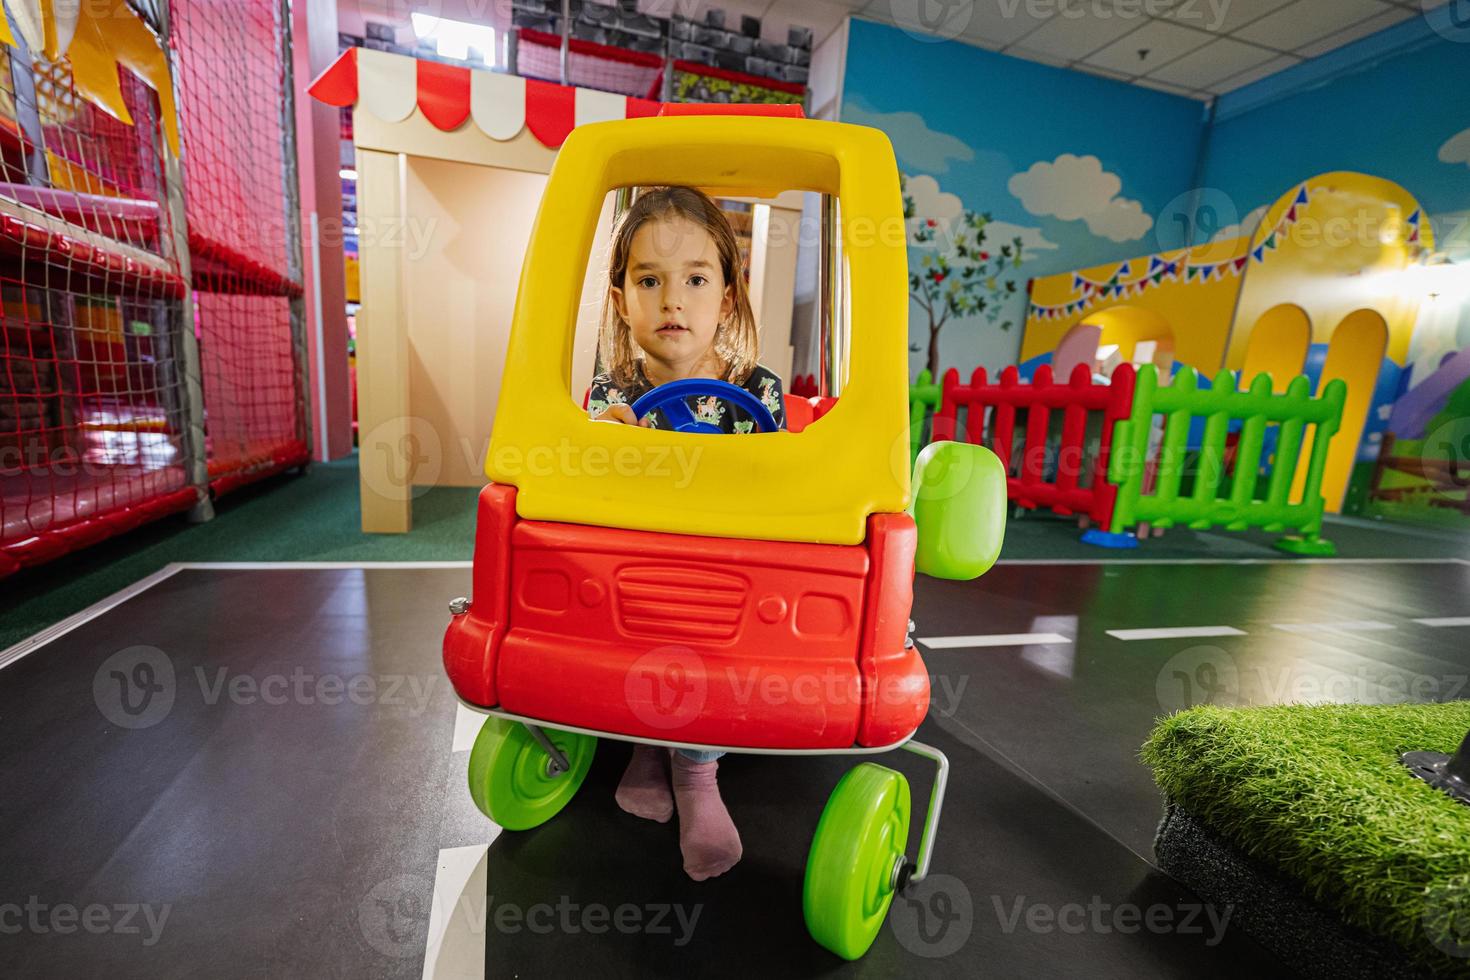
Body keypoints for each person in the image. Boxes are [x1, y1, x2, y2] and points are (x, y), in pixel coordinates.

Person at [588, 185, 786, 881]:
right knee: (627, 626)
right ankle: (646, 749)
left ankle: (696, 776)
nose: (673, 301)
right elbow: (593, 480)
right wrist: (606, 444)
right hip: (638, 574)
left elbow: (777, 476)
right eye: (650, 280)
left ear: (725, 298)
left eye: (696, 280)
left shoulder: (757, 390)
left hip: (726, 576)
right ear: (622, 302)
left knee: (708, 641)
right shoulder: (611, 396)